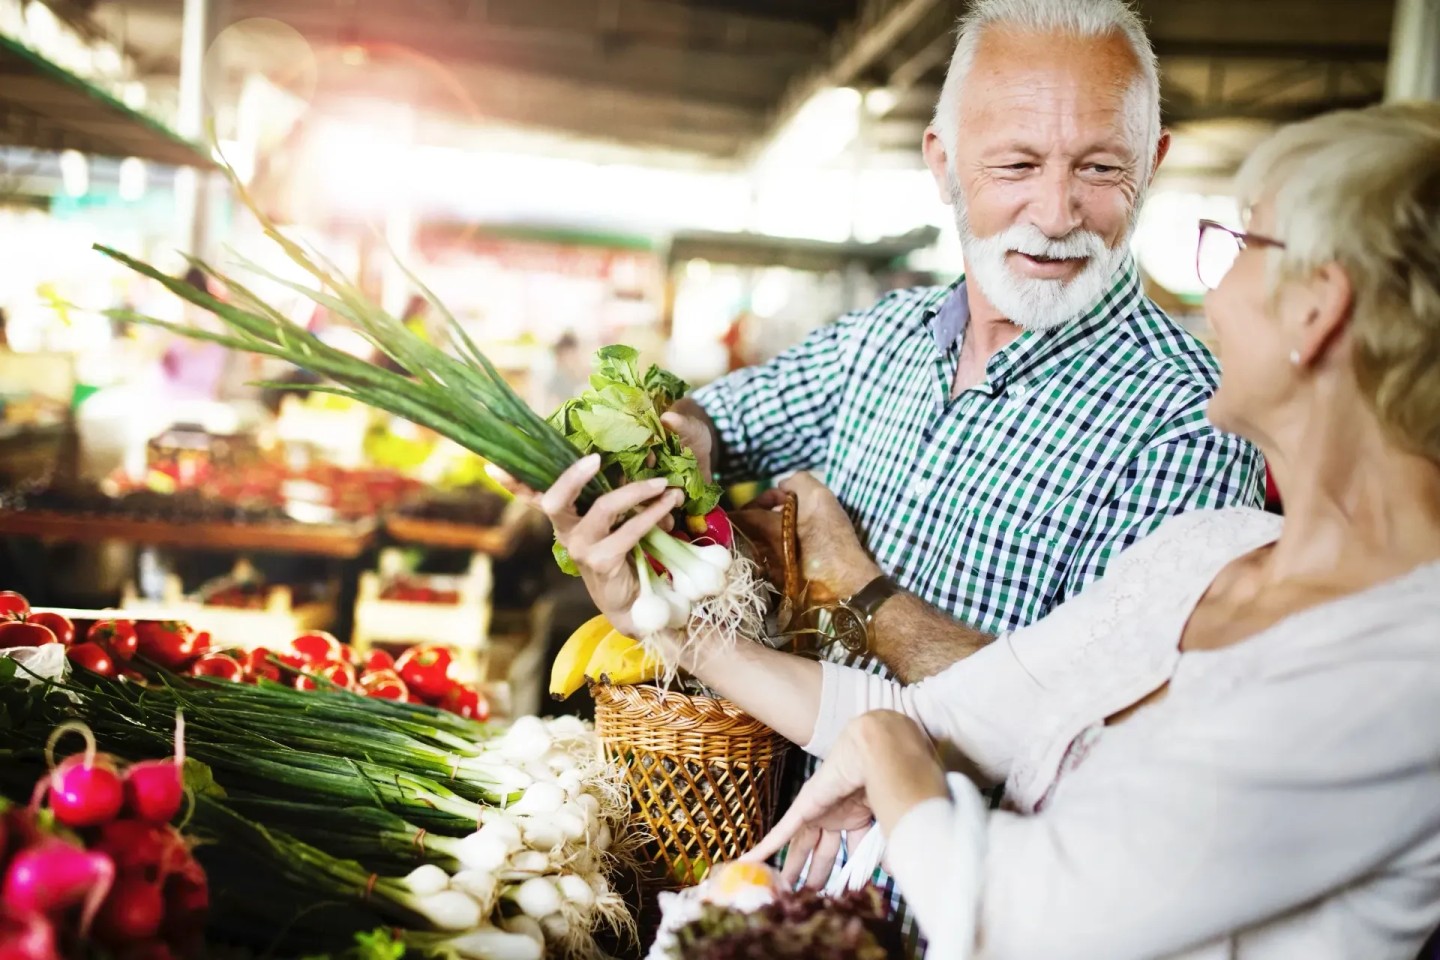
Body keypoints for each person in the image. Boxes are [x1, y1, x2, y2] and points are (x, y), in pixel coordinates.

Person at [524, 1, 1261, 950]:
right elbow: (714, 424)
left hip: (953, 923)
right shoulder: (885, 339)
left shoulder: (1187, 419)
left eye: (1101, 168)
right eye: (1017, 164)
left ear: (1153, 165)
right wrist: (644, 467)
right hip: (776, 880)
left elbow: (1085, 750)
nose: (1057, 212)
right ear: (942, 161)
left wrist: (861, 587)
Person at [664, 102, 1440, 958]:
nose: (1210, 288)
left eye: (1242, 244)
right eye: (1018, 165)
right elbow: (929, 716)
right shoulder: (1211, 551)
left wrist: (887, 753)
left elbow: (1023, 913)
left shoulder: (1405, 666)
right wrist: (666, 619)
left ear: (1318, 310)